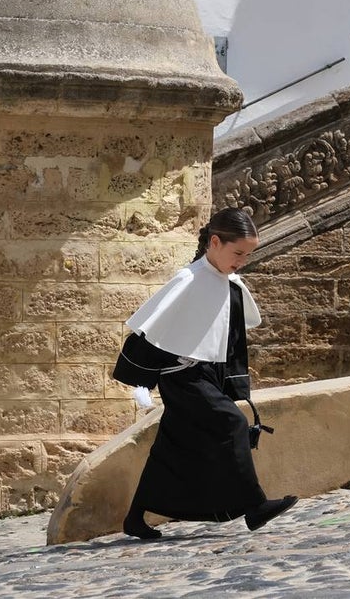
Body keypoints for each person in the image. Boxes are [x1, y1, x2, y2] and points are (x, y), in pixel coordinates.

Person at [120, 208, 297, 540]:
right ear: (215, 242)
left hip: (207, 375)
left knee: (172, 447)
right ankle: (255, 506)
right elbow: (151, 326)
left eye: (248, 254)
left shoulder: (229, 283)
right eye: (238, 252)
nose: (243, 260)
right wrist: (143, 377)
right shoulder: (188, 278)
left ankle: (134, 518)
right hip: (181, 375)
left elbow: (226, 335)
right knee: (232, 423)